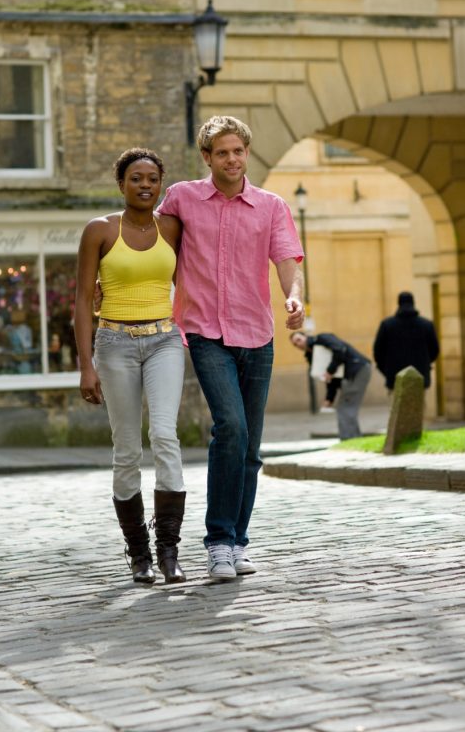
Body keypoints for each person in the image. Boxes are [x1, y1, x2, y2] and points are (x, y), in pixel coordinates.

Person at [158, 115, 304, 582]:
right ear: (207, 157)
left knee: (251, 448)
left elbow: (286, 259)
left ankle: (239, 541)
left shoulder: (271, 206)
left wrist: (294, 296)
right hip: (204, 332)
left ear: (247, 153)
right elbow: (154, 247)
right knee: (231, 427)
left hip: (257, 335)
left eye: (238, 151)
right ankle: (218, 542)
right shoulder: (182, 198)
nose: (232, 159)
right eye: (222, 152)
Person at [74, 148, 187, 586]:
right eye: (136, 178)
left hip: (164, 340)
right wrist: (87, 365)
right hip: (115, 342)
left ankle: (169, 552)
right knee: (126, 450)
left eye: (153, 179)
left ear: (162, 184)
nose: (145, 186)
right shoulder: (99, 230)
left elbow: (194, 283)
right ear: (120, 184)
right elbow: (84, 300)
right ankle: (139, 554)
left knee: (164, 434)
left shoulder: (173, 228)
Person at [289, 330, 372, 440]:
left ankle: (349, 438)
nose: (298, 344)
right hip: (352, 373)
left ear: (306, 336)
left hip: (357, 369)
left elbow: (339, 350)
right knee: (346, 407)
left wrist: (329, 370)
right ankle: (353, 438)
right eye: (295, 344)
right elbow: (329, 379)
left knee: (346, 407)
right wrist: (329, 399)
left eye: (299, 340)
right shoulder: (311, 356)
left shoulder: (322, 338)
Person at [373, 291, 439, 392]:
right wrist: (425, 364)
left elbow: (378, 352)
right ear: (413, 303)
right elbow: (435, 350)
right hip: (419, 378)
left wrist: (387, 371)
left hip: (395, 379)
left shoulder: (387, 325)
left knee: (396, 407)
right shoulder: (426, 325)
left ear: (398, 303)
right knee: (418, 407)